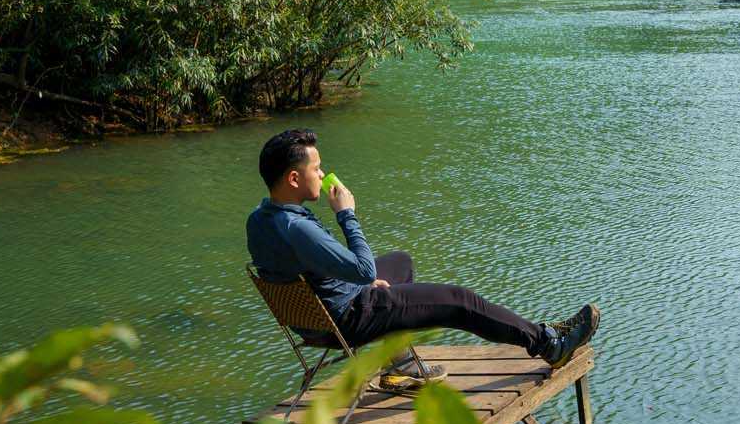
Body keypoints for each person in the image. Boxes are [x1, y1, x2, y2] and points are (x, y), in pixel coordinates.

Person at [246, 129, 598, 380]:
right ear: (293, 179)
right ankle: (549, 343)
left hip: (312, 322)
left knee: (399, 262)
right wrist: (346, 214)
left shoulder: (260, 220)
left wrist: (359, 282)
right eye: (316, 168)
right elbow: (365, 269)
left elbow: (305, 271)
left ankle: (400, 364)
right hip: (348, 320)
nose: (322, 174)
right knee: (459, 301)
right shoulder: (298, 228)